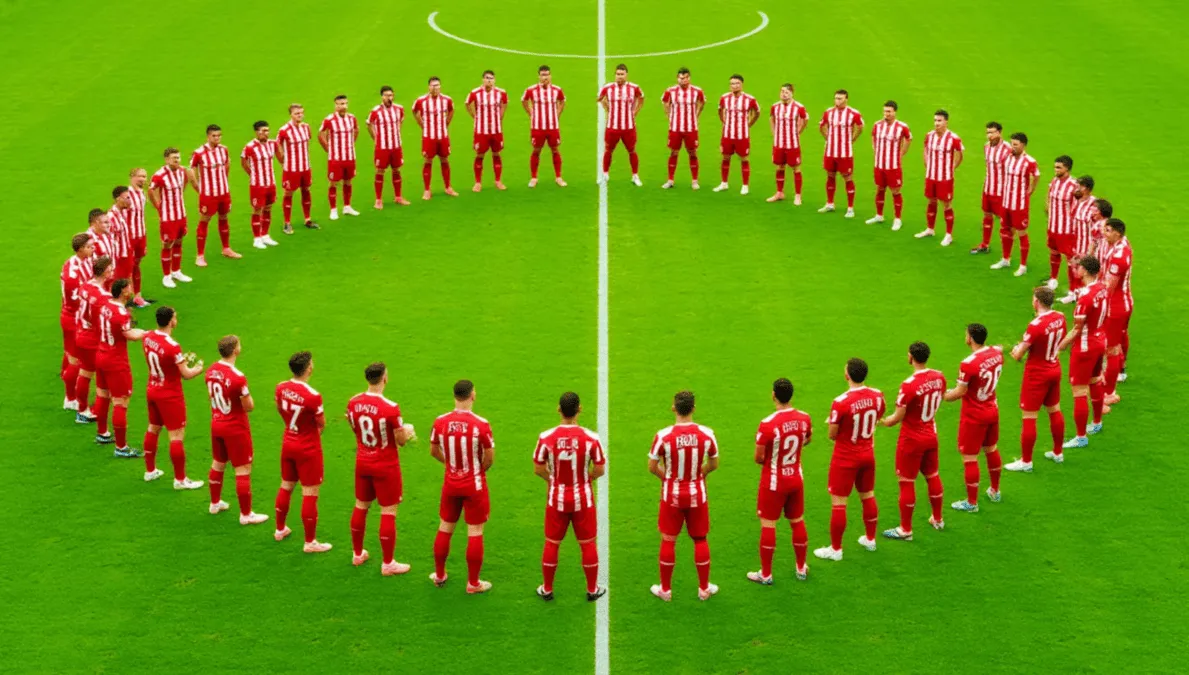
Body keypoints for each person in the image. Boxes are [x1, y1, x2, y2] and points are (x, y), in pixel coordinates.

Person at [532, 391, 607, 601]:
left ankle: (547, 588)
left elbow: (538, 468)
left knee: (552, 543)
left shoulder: (546, 437)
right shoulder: (591, 438)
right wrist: (587, 478)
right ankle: (592, 589)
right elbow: (600, 469)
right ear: (579, 409)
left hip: (556, 498)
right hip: (583, 498)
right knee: (588, 543)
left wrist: (552, 479)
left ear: (559, 410)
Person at [648, 390, 719, 602]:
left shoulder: (663, 436)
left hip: (672, 495)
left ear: (674, 408)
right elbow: (714, 464)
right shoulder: (706, 434)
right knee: (700, 539)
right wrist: (699, 474)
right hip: (698, 493)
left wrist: (668, 478)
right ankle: (704, 589)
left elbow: (652, 466)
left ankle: (666, 590)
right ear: (694, 409)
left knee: (669, 540)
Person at [347, 362, 416, 575]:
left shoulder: (353, 402)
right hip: (385, 465)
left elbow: (355, 429)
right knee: (388, 511)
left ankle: (357, 554)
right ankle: (388, 563)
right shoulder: (390, 408)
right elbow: (401, 440)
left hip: (363, 461)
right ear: (385, 378)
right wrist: (408, 432)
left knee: (361, 506)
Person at [814, 359, 885, 561]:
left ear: (847, 375)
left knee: (839, 503)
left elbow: (832, 434)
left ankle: (836, 550)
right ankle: (870, 539)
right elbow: (877, 416)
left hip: (846, 457)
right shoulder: (878, 396)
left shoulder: (841, 401)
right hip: (868, 453)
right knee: (868, 495)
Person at [429, 380, 495, 593]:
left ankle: (439, 575)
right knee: (474, 531)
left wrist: (450, 463)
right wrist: (477, 469)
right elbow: (489, 458)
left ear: (455, 396)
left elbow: (433, 450)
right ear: (472, 395)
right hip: (473, 484)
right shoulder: (481, 424)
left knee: (445, 527)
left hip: (451, 482)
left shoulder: (440, 422)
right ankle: (473, 583)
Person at [747, 378, 811, 585]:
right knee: (797, 522)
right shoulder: (804, 418)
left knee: (768, 525)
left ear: (773, 395)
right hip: (796, 478)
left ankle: (766, 574)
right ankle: (801, 568)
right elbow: (807, 439)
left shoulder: (767, 424)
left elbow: (758, 457)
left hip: (774, 482)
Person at [880, 342, 947, 540]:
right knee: (933, 476)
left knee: (906, 482)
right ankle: (937, 519)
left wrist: (882, 421)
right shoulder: (939, 376)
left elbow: (896, 418)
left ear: (910, 357)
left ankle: (905, 529)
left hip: (911, 439)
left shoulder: (909, 385)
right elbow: (941, 397)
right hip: (931, 434)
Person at [205, 335, 269, 525]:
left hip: (216, 422)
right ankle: (246, 514)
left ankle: (215, 503)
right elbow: (249, 406)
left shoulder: (210, 371)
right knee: (242, 468)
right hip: (234, 426)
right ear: (235, 350)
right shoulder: (237, 377)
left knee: (218, 463)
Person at [943, 323, 1005, 512]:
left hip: (974, 415)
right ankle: (995, 490)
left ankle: (971, 503)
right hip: (992, 409)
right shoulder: (996, 353)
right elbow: (999, 348)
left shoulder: (968, 363)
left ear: (970, 337)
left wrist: (942, 395)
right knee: (991, 449)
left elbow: (959, 392)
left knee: (970, 458)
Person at [273, 351, 331, 552]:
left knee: (286, 485)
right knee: (310, 493)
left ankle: (280, 529)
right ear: (308, 368)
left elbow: (280, 409)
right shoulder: (313, 396)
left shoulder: (280, 387)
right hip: (308, 448)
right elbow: (321, 423)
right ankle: (310, 542)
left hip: (288, 441)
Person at [142, 306, 205, 488]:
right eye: (175, 317)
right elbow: (186, 374)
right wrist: (199, 369)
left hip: (152, 388)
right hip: (169, 394)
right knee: (176, 437)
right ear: (170, 321)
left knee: (153, 428)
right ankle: (180, 479)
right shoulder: (172, 346)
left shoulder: (148, 337)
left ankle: (150, 471)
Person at [1006, 287, 1068, 470]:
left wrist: (1015, 352)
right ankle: (1058, 452)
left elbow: (1019, 355)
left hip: (1037, 373)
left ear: (1037, 302)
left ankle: (1026, 461)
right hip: (1054, 367)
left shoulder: (1035, 325)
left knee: (1029, 417)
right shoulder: (1060, 317)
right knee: (1054, 410)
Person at [93, 279, 147, 458]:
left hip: (101, 354)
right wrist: (146, 333)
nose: (131, 290)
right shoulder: (121, 313)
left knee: (102, 394)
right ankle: (121, 447)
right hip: (115, 360)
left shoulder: (105, 305)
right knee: (120, 402)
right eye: (129, 287)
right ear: (124, 291)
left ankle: (102, 433)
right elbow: (130, 335)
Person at [1059, 256, 1109, 448]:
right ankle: (1097, 423)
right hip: (1100, 340)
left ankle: (1080, 437)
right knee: (1095, 380)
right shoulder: (1102, 287)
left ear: (1086, 271)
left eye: (1078, 267)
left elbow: (1077, 329)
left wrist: (1061, 345)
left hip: (1086, 346)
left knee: (1079, 390)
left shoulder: (1085, 297)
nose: (1075, 268)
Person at [990, 132, 1040, 276]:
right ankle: (1006, 259)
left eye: (1016, 144)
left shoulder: (1029, 161)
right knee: (1005, 230)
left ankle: (1023, 266)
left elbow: (1036, 175)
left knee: (1021, 233)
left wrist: (1030, 189)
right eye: (1012, 143)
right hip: (1006, 202)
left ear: (1023, 145)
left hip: (1020, 204)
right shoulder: (1008, 157)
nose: (1013, 146)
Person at [189, 124, 240, 266]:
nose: (217, 138)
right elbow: (191, 171)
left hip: (223, 192)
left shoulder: (224, 150)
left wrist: (224, 180)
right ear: (208, 136)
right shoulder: (199, 153)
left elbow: (227, 164)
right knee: (204, 220)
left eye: (219, 135)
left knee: (224, 217)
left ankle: (226, 248)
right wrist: (198, 188)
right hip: (208, 194)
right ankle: (199, 256)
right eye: (214, 136)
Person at [73, 256, 114, 425]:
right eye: (110, 269)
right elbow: (101, 322)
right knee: (90, 374)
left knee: (85, 372)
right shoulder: (103, 296)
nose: (112, 271)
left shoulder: (85, 286)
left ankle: (83, 408)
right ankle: (84, 411)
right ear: (104, 271)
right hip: (92, 338)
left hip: (81, 332)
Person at [915, 110, 963, 246]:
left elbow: (960, 155)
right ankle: (930, 229)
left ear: (946, 122)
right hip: (931, 175)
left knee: (946, 204)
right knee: (931, 201)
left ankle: (949, 235)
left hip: (945, 178)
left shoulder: (954, 138)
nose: (936, 123)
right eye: (935, 120)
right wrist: (926, 162)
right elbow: (925, 149)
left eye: (939, 121)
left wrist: (952, 167)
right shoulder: (929, 135)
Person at [149, 147, 195, 287]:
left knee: (179, 242)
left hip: (181, 214)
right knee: (167, 244)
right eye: (174, 158)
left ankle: (176, 271)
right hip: (168, 217)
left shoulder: (182, 172)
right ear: (167, 159)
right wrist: (159, 207)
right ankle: (166, 276)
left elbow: (183, 186)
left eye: (178, 158)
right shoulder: (159, 175)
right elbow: (151, 191)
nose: (177, 160)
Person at [60, 233, 95, 411]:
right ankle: (70, 398)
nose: (93, 248)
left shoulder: (84, 261)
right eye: (90, 246)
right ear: (80, 249)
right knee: (77, 361)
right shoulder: (72, 274)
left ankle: (68, 384)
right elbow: (75, 301)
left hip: (76, 317)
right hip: (74, 319)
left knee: (72, 357)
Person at [864, 100, 911, 229]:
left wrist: (902, 153)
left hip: (893, 166)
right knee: (880, 189)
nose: (887, 114)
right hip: (879, 164)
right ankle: (879, 215)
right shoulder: (877, 125)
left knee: (895, 191)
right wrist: (875, 149)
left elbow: (908, 138)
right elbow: (873, 137)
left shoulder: (902, 127)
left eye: (889, 111)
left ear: (895, 112)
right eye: (885, 111)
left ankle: (897, 219)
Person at [817, 89, 863, 217]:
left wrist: (852, 139)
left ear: (846, 99)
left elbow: (860, 126)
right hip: (830, 151)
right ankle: (830, 203)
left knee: (847, 177)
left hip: (845, 153)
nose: (837, 101)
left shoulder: (853, 113)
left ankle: (850, 208)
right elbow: (821, 126)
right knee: (830, 175)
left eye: (840, 98)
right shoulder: (829, 112)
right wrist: (828, 138)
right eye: (836, 98)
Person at [1101, 219, 1132, 405]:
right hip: (1124, 302)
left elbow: (1109, 287)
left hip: (1115, 306)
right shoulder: (1122, 245)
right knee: (1117, 343)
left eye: (1108, 230)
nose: (1105, 233)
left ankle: (1109, 393)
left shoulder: (1119, 257)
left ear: (1118, 234)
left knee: (1111, 349)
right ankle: (1119, 372)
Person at [275, 103, 320, 233]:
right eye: (296, 113)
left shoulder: (306, 127)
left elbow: (307, 143)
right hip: (291, 168)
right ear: (291, 115)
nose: (299, 115)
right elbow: (277, 147)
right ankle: (287, 223)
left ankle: (307, 219)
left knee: (306, 190)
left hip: (305, 166)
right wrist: (283, 162)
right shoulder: (284, 130)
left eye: (301, 113)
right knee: (289, 193)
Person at [597, 64, 644, 186]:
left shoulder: (634, 88)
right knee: (608, 150)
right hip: (612, 127)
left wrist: (635, 112)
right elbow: (600, 98)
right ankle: (605, 174)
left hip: (628, 127)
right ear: (615, 75)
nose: (620, 77)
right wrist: (608, 108)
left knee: (632, 151)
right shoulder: (608, 88)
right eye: (618, 74)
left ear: (626, 75)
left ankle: (635, 175)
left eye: (622, 74)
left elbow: (641, 98)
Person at [712, 74, 760, 195]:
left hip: (742, 135)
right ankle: (724, 183)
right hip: (727, 134)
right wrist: (724, 122)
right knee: (725, 157)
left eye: (737, 83)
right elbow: (720, 111)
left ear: (742, 84)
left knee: (744, 159)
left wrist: (749, 124)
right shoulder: (724, 98)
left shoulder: (750, 99)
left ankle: (745, 185)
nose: (734, 86)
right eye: (732, 84)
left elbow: (757, 112)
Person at [521, 65, 567, 188]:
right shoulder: (531, 90)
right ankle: (534, 178)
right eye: (542, 75)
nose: (545, 77)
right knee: (536, 150)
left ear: (550, 76)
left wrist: (557, 114)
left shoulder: (557, 90)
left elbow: (562, 101)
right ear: (539, 76)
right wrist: (531, 113)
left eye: (547, 75)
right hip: (537, 127)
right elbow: (524, 101)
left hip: (553, 127)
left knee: (555, 150)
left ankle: (558, 177)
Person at [413, 77, 459, 200]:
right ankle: (427, 190)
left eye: (437, 85)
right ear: (429, 87)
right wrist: (422, 124)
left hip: (443, 136)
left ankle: (448, 187)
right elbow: (414, 111)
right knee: (428, 161)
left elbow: (451, 111)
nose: (435, 88)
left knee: (445, 160)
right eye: (433, 86)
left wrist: (446, 123)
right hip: (429, 137)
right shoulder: (421, 100)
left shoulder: (447, 100)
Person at [661, 67, 705, 190]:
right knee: (674, 152)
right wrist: (669, 116)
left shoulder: (697, 91)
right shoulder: (670, 91)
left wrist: (696, 115)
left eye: (685, 78)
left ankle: (694, 181)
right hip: (675, 128)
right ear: (677, 78)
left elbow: (702, 102)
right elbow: (665, 103)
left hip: (691, 128)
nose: (683, 80)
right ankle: (670, 180)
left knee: (692, 153)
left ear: (689, 78)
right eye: (681, 78)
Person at [368, 86, 411, 208]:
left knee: (396, 169)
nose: (389, 98)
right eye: (386, 95)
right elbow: (369, 124)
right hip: (382, 147)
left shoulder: (399, 109)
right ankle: (378, 200)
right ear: (382, 97)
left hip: (396, 146)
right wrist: (376, 139)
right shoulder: (375, 111)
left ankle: (398, 197)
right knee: (380, 171)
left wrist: (396, 133)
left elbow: (401, 121)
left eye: (391, 95)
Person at [319, 95, 361, 220]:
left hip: (349, 156)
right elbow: (321, 134)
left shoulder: (352, 118)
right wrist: (328, 149)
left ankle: (347, 207)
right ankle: (333, 209)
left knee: (348, 181)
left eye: (345, 103)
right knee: (333, 183)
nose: (344, 106)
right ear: (336, 105)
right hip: (336, 158)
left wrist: (351, 143)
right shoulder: (329, 120)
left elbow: (356, 130)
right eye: (341, 104)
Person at [466, 70, 508, 192]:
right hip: (481, 130)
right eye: (487, 78)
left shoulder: (501, 93)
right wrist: (475, 116)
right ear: (483, 79)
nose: (489, 80)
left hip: (496, 130)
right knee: (480, 154)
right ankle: (478, 182)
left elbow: (504, 103)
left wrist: (501, 115)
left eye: (491, 78)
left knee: (496, 153)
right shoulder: (475, 93)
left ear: (494, 80)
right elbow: (467, 104)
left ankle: (498, 181)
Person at [972, 122, 1011, 254]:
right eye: (988, 132)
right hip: (988, 187)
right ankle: (985, 244)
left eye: (992, 132)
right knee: (987, 215)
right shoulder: (986, 147)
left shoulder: (1008, 150)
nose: (989, 135)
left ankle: (1006, 255)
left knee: (1004, 222)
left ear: (1000, 132)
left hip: (1001, 191)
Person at [241, 121, 280, 249]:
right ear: (257, 132)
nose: (266, 133)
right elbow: (244, 163)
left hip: (270, 182)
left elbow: (280, 157)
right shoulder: (250, 147)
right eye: (263, 131)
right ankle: (257, 238)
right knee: (257, 210)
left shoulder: (272, 144)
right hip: (257, 185)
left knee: (268, 208)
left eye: (267, 130)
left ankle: (265, 235)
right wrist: (253, 175)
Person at [767, 83, 808, 204]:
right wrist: (774, 133)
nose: (783, 94)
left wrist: (798, 132)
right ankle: (779, 192)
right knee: (779, 166)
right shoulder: (775, 107)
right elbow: (771, 119)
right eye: (782, 92)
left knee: (796, 168)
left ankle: (798, 195)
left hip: (792, 143)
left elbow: (805, 120)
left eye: (786, 92)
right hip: (779, 143)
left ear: (792, 93)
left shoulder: (799, 107)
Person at [1062, 176, 1100, 303]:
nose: (1076, 188)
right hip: (1075, 241)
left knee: (1085, 271)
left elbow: (1098, 227)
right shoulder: (1076, 201)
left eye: (1079, 186)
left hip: (1087, 244)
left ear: (1087, 188)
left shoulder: (1094, 205)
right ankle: (1072, 292)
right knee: (1072, 266)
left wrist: (1093, 249)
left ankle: (1087, 295)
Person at [1044, 156, 1078, 292]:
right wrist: (1047, 205)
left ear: (1067, 168)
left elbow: (1077, 208)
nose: (1056, 170)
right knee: (1053, 251)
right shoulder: (1054, 181)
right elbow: (1049, 195)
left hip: (1067, 229)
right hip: (1053, 226)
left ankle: (1073, 289)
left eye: (1059, 167)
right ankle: (1053, 279)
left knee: (1070, 259)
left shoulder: (1074, 186)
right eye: (1055, 167)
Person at [125, 168, 151, 306]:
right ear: (132, 177)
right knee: (128, 266)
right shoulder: (126, 196)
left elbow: (141, 216)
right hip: (130, 237)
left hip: (141, 235)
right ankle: (125, 295)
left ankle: (137, 295)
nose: (143, 179)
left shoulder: (141, 194)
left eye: (145, 176)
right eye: (140, 176)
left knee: (136, 264)